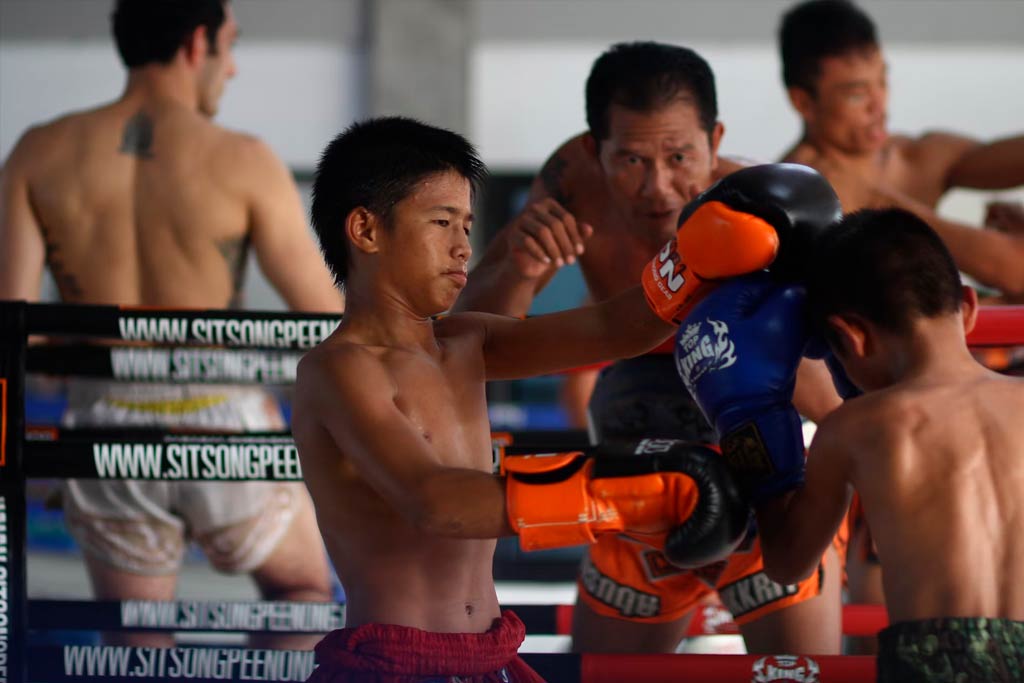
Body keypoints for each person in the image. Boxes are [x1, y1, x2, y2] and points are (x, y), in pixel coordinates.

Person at [291, 116, 836, 681]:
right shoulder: (338, 369)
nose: (462, 246)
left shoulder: (467, 342)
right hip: (396, 665)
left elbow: (615, 328)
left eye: (467, 224)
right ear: (365, 229)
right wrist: (626, 488)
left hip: (491, 657)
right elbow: (437, 503)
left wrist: (694, 257)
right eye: (441, 221)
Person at [456, 41, 845, 654]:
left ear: (714, 140)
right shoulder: (571, 186)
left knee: (796, 672)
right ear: (595, 151)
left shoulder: (763, 212)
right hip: (635, 450)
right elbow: (470, 343)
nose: (658, 186)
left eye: (680, 156)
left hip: (754, 437)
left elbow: (832, 392)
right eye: (631, 160)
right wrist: (519, 267)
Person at [0, 0, 343, 649]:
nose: (233, 69)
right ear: (196, 43)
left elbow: (15, 330)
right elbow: (325, 318)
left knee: (137, 638)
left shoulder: (38, 152)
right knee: (301, 596)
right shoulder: (243, 158)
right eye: (230, 46)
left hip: (104, 424)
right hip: (223, 415)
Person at [688, 208, 1024, 682]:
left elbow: (787, 564)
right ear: (969, 307)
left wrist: (750, 423)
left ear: (850, 337)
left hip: (933, 662)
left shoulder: (857, 427)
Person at [777, 0, 1024, 641]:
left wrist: (886, 201)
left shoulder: (923, 156)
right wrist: (845, 432)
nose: (879, 105)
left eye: (883, 81)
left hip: (932, 409)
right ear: (804, 100)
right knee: (888, 620)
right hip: (886, 432)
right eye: (856, 93)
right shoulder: (793, 195)